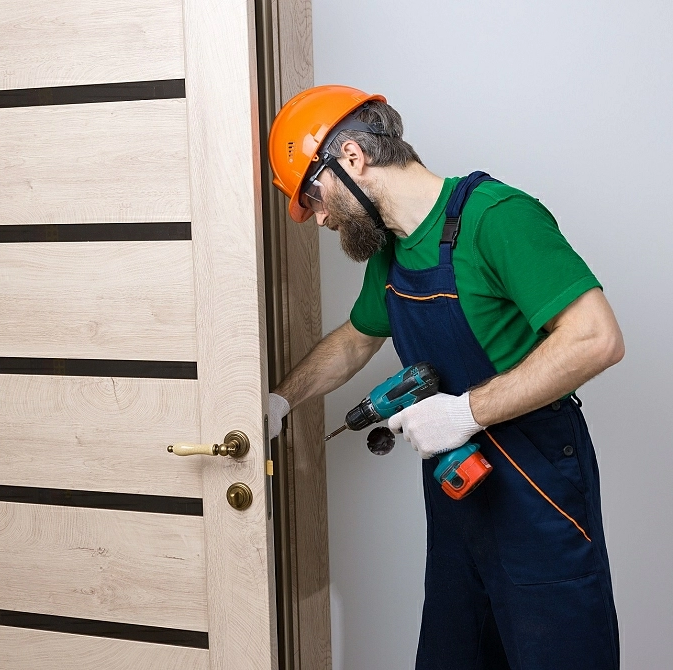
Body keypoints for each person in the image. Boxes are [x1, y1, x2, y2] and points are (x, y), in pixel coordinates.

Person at [266, 85, 623, 670]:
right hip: (460, 497)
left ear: (351, 158)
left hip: (537, 487)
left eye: (316, 193)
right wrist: (279, 400)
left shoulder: (497, 218)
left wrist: (464, 413)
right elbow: (356, 340)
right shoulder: (391, 250)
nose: (321, 216)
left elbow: (597, 338)